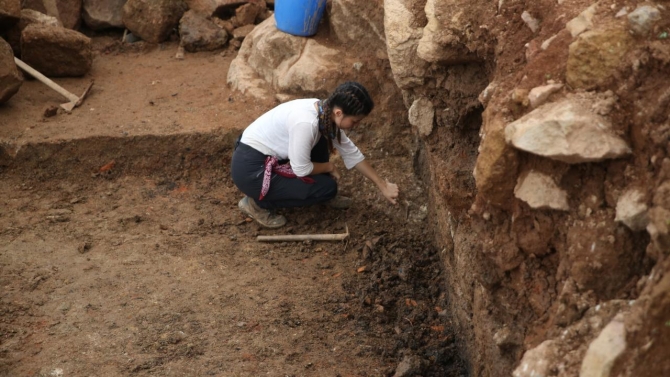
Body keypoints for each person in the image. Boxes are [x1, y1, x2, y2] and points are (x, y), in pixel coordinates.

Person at [231, 81, 399, 228]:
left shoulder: (324, 112)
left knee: (320, 140)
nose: (356, 125)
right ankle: (257, 203)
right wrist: (329, 166)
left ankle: (318, 191)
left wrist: (382, 185)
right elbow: (301, 169)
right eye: (354, 121)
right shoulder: (307, 123)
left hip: (265, 156)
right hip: (251, 170)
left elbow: (351, 152)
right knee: (328, 188)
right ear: (339, 113)